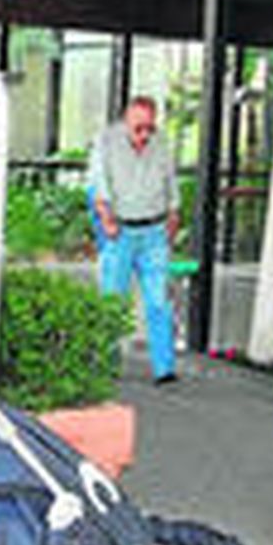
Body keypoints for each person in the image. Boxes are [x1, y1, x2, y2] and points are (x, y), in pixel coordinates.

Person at [88, 96, 180, 385]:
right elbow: (98, 183)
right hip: (120, 231)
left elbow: (171, 183)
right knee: (113, 300)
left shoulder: (161, 143)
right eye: (139, 128)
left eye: (149, 128)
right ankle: (106, 363)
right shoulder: (106, 141)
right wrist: (106, 219)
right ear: (127, 120)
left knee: (159, 301)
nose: (144, 135)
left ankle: (164, 368)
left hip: (154, 232)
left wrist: (173, 220)